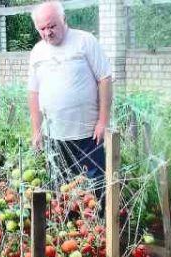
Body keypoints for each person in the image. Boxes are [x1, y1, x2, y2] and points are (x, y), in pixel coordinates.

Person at [28, 0, 112, 191]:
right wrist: (36, 130)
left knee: (95, 186)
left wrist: (103, 121)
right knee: (59, 188)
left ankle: (99, 219)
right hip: (54, 136)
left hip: (89, 136)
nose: (48, 32)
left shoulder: (85, 41)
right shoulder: (37, 51)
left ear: (64, 19)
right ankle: (65, 221)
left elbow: (105, 79)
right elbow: (34, 92)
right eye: (42, 28)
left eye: (52, 26)